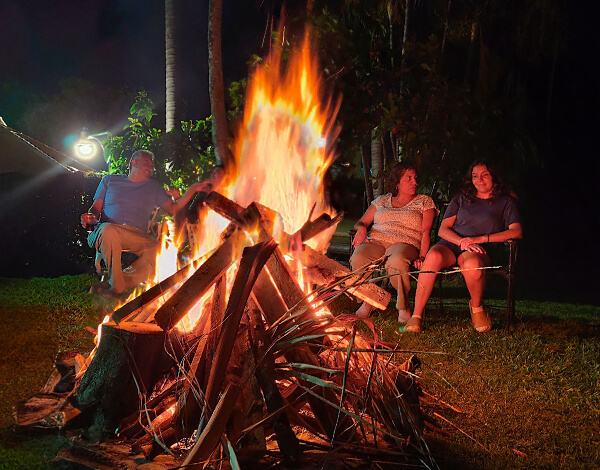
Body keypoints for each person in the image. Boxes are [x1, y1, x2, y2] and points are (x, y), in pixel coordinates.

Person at [404, 160, 523, 333]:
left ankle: (476, 308)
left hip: (480, 248)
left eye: (485, 175)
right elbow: (443, 230)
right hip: (452, 244)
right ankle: (416, 316)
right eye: (475, 176)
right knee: (434, 256)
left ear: (494, 177)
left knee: (472, 265)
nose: (479, 180)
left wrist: (480, 239)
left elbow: (516, 231)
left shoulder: (505, 202)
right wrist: (462, 241)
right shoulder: (461, 199)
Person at [80, 150, 205, 297]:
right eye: (147, 163)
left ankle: (114, 283)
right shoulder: (110, 180)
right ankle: (116, 287)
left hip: (136, 235)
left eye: (152, 166)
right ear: (134, 162)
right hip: (107, 229)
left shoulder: (153, 187)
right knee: (109, 231)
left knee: (160, 252)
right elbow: (95, 208)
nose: (150, 168)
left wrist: (193, 189)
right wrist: (90, 217)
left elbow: (173, 209)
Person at [350, 163, 436, 322]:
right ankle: (370, 299)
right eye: (408, 178)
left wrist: (422, 256)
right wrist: (362, 229)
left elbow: (426, 232)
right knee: (358, 257)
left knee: (396, 260)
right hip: (377, 241)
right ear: (397, 182)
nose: (414, 182)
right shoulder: (382, 200)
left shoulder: (424, 201)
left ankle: (403, 306)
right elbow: (361, 222)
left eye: (415, 178)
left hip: (406, 243)